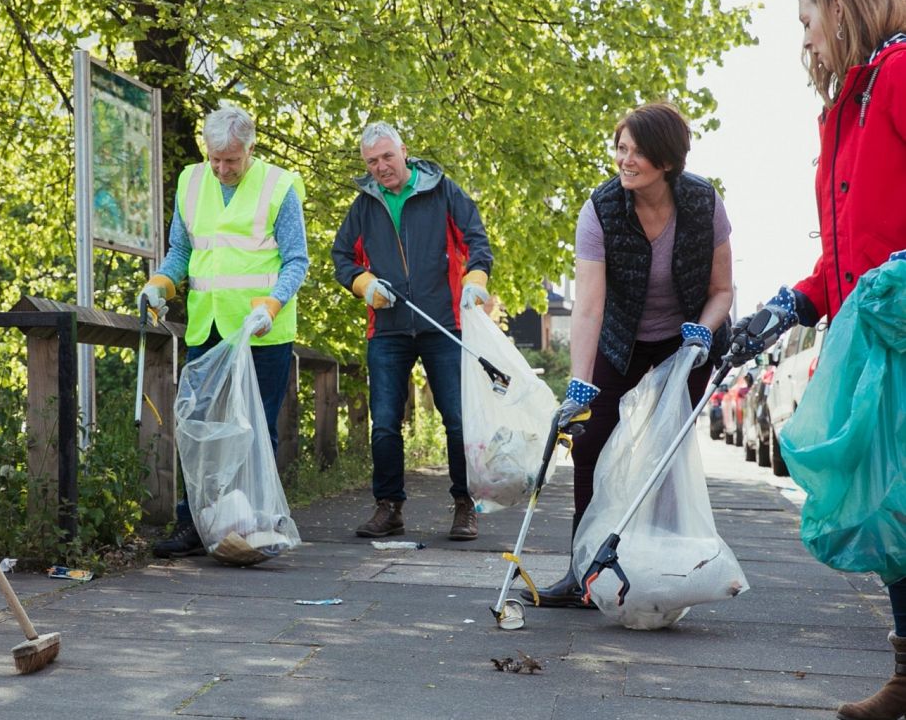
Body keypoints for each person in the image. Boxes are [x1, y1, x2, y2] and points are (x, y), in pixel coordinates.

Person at [728, 0, 906, 717]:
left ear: (840, 7)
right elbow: (844, 253)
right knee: (892, 508)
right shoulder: (849, 106)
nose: (806, 40)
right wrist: (789, 303)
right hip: (878, 339)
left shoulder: (899, 78)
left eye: (807, 22)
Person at [533, 102, 734, 607]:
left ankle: (664, 571)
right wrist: (579, 385)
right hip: (620, 337)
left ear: (665, 161)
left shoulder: (703, 203)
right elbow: (589, 307)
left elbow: (722, 290)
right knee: (591, 440)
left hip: (686, 339)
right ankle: (583, 575)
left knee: (666, 457)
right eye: (621, 149)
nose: (624, 160)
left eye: (637, 152)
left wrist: (703, 332)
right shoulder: (600, 209)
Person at [143, 104, 309, 558]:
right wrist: (161, 283)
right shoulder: (192, 181)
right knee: (198, 426)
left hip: (261, 330)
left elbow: (297, 260)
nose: (221, 168)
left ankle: (254, 528)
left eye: (231, 160)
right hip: (208, 326)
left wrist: (272, 305)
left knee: (256, 430)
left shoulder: (279, 186)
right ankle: (194, 523)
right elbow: (181, 250)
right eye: (215, 158)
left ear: (250, 148)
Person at [332, 121, 493, 542]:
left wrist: (476, 279)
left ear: (404, 150)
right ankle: (388, 508)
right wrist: (364, 285)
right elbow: (341, 257)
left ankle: (465, 505)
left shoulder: (442, 191)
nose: (381, 167)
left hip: (443, 322)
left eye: (387, 156)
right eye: (372, 161)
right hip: (387, 327)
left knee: (457, 419)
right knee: (384, 422)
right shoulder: (364, 205)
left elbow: (477, 239)